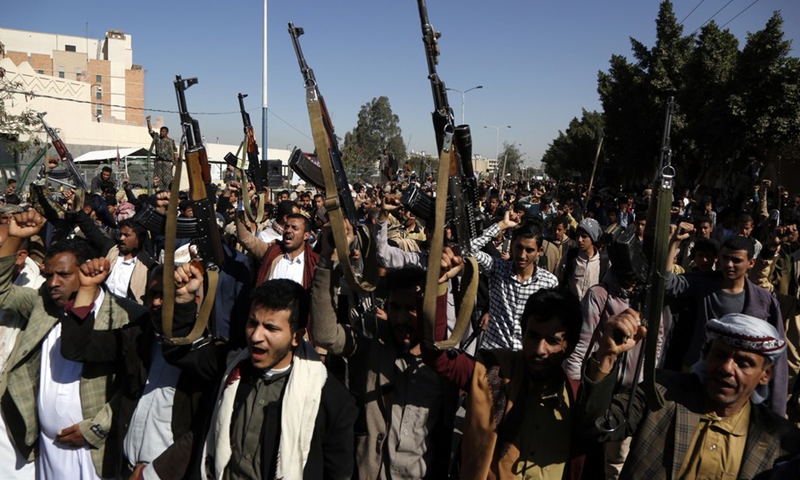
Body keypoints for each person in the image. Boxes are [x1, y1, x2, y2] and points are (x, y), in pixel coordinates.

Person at [163, 270, 358, 479]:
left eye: (271, 328)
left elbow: (339, 473)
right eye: (252, 323)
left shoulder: (329, 399)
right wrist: (183, 301)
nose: (256, 336)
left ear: (296, 336)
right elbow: (180, 352)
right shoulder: (231, 363)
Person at [0, 210, 148, 478]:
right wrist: (12, 238)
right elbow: (2, 293)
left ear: (87, 269)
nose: (53, 283)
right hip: (44, 450)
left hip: (95, 453)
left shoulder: (124, 315)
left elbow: (136, 384)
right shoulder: (42, 304)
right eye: (49, 276)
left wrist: (98, 426)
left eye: (63, 275)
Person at [582, 310, 799, 479]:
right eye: (720, 355)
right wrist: (607, 355)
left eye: (744, 363)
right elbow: (598, 425)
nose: (726, 368)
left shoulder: (781, 441)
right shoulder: (661, 393)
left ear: (765, 374)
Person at [312, 238, 457, 479]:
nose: (400, 319)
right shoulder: (372, 344)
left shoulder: (445, 364)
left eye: (411, 309)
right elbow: (326, 335)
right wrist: (327, 259)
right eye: (395, 308)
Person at [423, 288, 587, 480]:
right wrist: (439, 283)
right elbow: (438, 356)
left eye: (552, 341)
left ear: (570, 347)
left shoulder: (577, 400)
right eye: (533, 336)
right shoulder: (494, 370)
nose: (539, 349)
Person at [665, 234, 788, 416]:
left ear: (751, 263)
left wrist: (776, 410)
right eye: (725, 258)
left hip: (736, 381)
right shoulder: (703, 283)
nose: (729, 264)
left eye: (736, 260)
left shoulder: (763, 301)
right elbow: (667, 283)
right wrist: (673, 243)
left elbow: (777, 354)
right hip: (696, 373)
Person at [471, 211, 559, 350]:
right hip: (494, 353)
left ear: (539, 251)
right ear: (512, 245)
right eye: (518, 247)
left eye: (529, 250)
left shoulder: (549, 282)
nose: (522, 255)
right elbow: (469, 249)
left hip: (524, 357)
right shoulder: (497, 268)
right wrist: (501, 225)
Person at [557, 217, 608, 300]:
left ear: (593, 238)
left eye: (584, 236)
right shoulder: (570, 256)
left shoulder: (603, 261)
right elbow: (559, 277)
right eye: (577, 236)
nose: (580, 240)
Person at [146, 115, 178, 189]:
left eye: (163, 131)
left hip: (167, 163)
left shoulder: (171, 141)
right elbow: (150, 131)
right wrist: (148, 122)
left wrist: (175, 162)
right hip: (159, 163)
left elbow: (175, 153)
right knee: (158, 181)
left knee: (167, 181)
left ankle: (167, 195)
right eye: (161, 131)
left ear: (167, 132)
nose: (161, 133)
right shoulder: (157, 139)